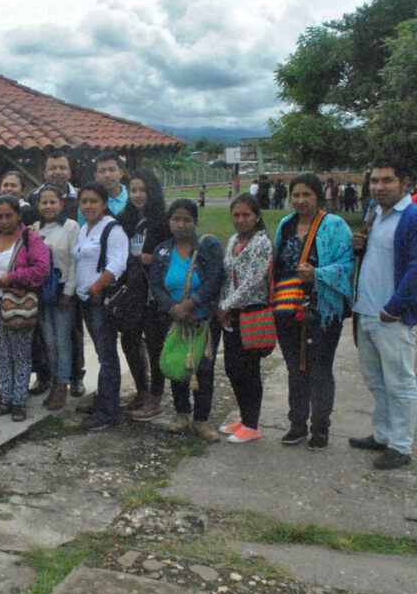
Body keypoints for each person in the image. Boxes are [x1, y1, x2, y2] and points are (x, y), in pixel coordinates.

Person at [272, 174, 354, 450]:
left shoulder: (335, 225)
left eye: (306, 194)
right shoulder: (285, 225)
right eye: (295, 195)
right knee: (295, 369)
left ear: (318, 196)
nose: (300, 200)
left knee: (320, 369)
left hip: (323, 310)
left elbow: (347, 265)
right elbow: (277, 265)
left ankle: (320, 429)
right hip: (287, 308)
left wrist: (318, 273)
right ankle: (297, 424)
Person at [349, 157, 417, 470]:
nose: (378, 187)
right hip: (366, 313)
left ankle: (401, 446)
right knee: (375, 380)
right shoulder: (375, 213)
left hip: (391, 316)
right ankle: (382, 434)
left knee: (400, 382)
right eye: (374, 181)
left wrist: (395, 307)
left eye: (386, 180)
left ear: (404, 182)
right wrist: (359, 245)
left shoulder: (412, 216)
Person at [149, 199, 225, 442]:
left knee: (203, 370)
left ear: (195, 222)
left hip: (202, 319)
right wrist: (174, 309)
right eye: (176, 219)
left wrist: (191, 304)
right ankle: (182, 414)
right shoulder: (162, 251)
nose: (180, 225)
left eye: (186, 220)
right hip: (174, 320)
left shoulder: (207, 247)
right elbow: (156, 285)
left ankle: (201, 420)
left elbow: (215, 279)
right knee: (177, 364)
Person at [0, 195, 51, 422]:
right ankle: (5, 398)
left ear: (18, 215)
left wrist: (10, 278)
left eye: (9, 215)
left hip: (18, 303)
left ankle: (19, 400)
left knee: (20, 353)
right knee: (2, 353)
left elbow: (41, 270)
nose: (4, 220)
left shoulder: (29, 238)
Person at [71, 183, 129, 431]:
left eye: (93, 201)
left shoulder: (113, 230)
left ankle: (108, 412)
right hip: (86, 301)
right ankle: (103, 399)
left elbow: (117, 265)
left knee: (107, 356)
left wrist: (97, 286)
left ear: (104, 204)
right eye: (84, 201)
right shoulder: (85, 228)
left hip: (101, 301)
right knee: (101, 353)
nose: (88, 206)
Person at [216, 194, 273, 443]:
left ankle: (252, 424)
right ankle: (243, 416)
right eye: (236, 215)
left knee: (249, 370)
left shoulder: (261, 243)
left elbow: (254, 281)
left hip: (251, 312)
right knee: (232, 368)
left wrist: (226, 305)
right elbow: (228, 276)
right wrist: (224, 306)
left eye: (246, 215)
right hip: (231, 314)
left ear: (257, 216)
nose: (241, 220)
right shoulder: (233, 241)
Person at [30, 151, 84, 397]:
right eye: (44, 202)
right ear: (38, 205)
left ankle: (64, 383)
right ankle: (54, 379)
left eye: (53, 202)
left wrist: (69, 292)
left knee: (64, 339)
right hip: (42, 293)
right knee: (47, 339)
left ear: (62, 204)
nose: (48, 206)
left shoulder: (72, 227)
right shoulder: (34, 229)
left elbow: (75, 261)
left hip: (64, 292)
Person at [119, 170, 171, 421]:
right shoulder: (124, 219)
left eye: (142, 190)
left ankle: (156, 396)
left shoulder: (163, 219)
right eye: (133, 190)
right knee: (129, 338)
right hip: (132, 287)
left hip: (154, 289)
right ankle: (141, 390)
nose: (138, 195)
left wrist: (156, 259)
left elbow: (176, 251)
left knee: (155, 342)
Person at [94, 151, 129, 217]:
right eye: (102, 171)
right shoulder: (90, 202)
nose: (107, 175)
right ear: (96, 176)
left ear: (121, 173)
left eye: (112, 170)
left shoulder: (132, 198)